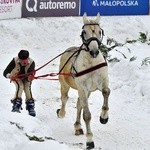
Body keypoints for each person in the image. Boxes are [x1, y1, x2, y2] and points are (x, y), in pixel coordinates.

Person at [3, 50, 36, 117]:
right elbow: (5, 72)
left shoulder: (32, 62)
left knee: (27, 87)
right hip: (16, 77)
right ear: (19, 59)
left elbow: (29, 75)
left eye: (25, 60)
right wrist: (9, 75)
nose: (23, 62)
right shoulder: (14, 60)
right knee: (20, 86)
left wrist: (30, 78)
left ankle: (30, 106)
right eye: (21, 60)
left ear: (28, 58)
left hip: (26, 78)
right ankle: (16, 104)